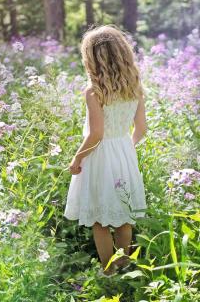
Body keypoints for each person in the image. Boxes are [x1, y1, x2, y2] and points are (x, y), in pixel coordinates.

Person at [63, 24, 147, 277]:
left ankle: (108, 272)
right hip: (123, 152)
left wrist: (77, 158)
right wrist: (124, 150)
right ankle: (125, 268)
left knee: (100, 219)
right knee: (123, 217)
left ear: (91, 58)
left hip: (99, 157)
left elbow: (96, 134)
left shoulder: (94, 91)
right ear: (123, 53)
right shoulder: (134, 85)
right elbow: (141, 128)